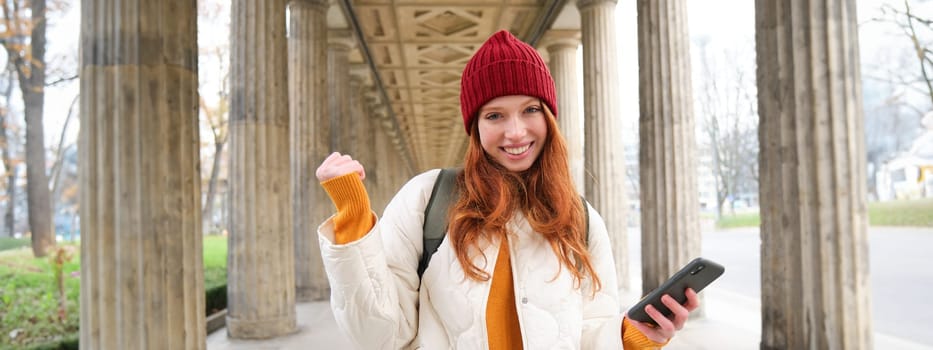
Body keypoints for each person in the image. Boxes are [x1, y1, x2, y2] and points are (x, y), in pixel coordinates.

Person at [315, 29, 700, 350]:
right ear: (475, 127)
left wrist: (634, 337)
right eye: (495, 115)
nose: (515, 132)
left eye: (530, 110)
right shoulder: (427, 199)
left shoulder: (580, 219)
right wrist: (352, 222)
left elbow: (587, 331)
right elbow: (378, 335)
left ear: (549, 117)